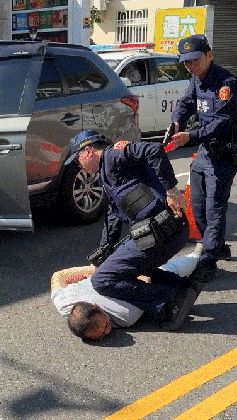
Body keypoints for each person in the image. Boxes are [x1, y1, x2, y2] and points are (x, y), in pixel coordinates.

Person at [63, 131, 200, 336]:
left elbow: (153, 150)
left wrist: (172, 192)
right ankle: (183, 287)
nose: (79, 166)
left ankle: (171, 299)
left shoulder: (113, 155)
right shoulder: (107, 175)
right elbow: (113, 218)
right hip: (162, 233)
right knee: (120, 266)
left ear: (88, 151)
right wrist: (103, 253)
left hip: (164, 232)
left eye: (78, 160)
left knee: (102, 281)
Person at [169, 34, 237, 283]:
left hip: (222, 154)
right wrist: (176, 121)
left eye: (196, 60)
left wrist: (189, 136)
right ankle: (218, 246)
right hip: (203, 152)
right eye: (187, 63)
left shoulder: (227, 83)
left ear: (209, 55)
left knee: (214, 210)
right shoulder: (196, 80)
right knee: (197, 208)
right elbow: (186, 102)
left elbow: (222, 123)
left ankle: (209, 259)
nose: (192, 66)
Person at [51, 250, 201, 341]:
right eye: (100, 337)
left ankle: (198, 255)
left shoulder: (125, 315)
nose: (107, 332)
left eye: (107, 325)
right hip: (122, 279)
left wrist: (96, 271)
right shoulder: (65, 305)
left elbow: (59, 276)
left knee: (171, 269)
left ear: (96, 307)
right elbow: (58, 277)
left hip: (121, 272)